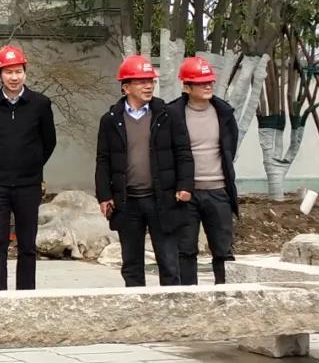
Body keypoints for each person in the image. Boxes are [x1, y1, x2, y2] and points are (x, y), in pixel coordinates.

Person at [95, 55, 194, 287]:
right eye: (141, 82)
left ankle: (171, 305)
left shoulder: (168, 115)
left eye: (150, 81)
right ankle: (136, 303)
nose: (148, 86)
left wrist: (185, 185)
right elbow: (103, 160)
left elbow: (183, 152)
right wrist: (104, 195)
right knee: (131, 264)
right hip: (127, 201)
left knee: (169, 262)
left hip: (162, 199)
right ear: (126, 87)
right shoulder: (111, 120)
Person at [0, 45, 56, 290]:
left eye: (18, 71)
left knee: (27, 245)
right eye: (8, 72)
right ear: (0, 74)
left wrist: (31, 165)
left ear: (25, 72)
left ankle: (26, 294)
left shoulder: (40, 104)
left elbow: (49, 142)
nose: (14, 77)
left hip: (28, 185)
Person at [169, 56, 239, 285]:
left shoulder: (224, 113)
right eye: (201, 83)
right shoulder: (173, 114)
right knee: (185, 250)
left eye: (210, 82)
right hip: (185, 194)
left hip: (219, 191)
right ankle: (189, 296)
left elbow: (230, 149)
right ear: (187, 87)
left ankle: (226, 294)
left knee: (223, 250)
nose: (208, 86)